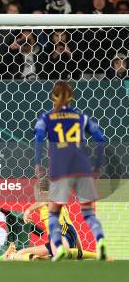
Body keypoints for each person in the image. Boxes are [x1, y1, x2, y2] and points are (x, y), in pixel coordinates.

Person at [34, 81, 107, 260]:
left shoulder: (47, 118)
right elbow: (100, 139)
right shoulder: (81, 117)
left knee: (53, 213)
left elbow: (38, 140)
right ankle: (100, 240)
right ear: (71, 98)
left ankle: (58, 247)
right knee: (89, 212)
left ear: (54, 98)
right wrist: (97, 166)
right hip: (82, 167)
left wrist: (38, 163)